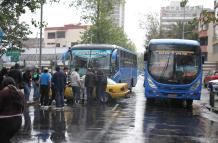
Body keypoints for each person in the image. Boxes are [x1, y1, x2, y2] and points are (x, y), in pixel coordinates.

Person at [0, 77, 25, 142]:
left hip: (5, 122)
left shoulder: (3, 92)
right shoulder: (20, 93)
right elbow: (23, 108)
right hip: (18, 121)